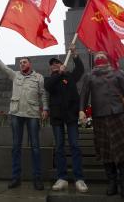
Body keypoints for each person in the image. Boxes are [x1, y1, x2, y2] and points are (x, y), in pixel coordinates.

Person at [79, 51, 124, 198]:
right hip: (99, 117)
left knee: (123, 150)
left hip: (119, 115)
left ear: (107, 59)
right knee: (106, 151)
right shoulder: (89, 76)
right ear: (94, 61)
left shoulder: (118, 72)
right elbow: (84, 94)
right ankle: (112, 182)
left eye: (102, 55)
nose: (99, 57)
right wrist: (81, 111)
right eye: (97, 56)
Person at [0, 44, 48, 190]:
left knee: (35, 148)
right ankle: (16, 178)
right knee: (16, 147)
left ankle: (37, 179)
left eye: (24, 62)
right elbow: (3, 67)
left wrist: (45, 108)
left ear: (30, 64)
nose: (22, 64)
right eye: (20, 63)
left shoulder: (38, 77)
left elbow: (43, 95)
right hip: (16, 114)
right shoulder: (15, 75)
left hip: (33, 115)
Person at [44, 45, 88, 192]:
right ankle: (62, 178)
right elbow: (49, 87)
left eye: (57, 62)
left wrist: (75, 54)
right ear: (50, 68)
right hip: (57, 118)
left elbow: (80, 70)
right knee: (60, 147)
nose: (54, 65)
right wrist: (58, 74)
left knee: (75, 146)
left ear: (62, 64)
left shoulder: (69, 77)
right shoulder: (49, 79)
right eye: (52, 64)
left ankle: (79, 179)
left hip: (71, 116)